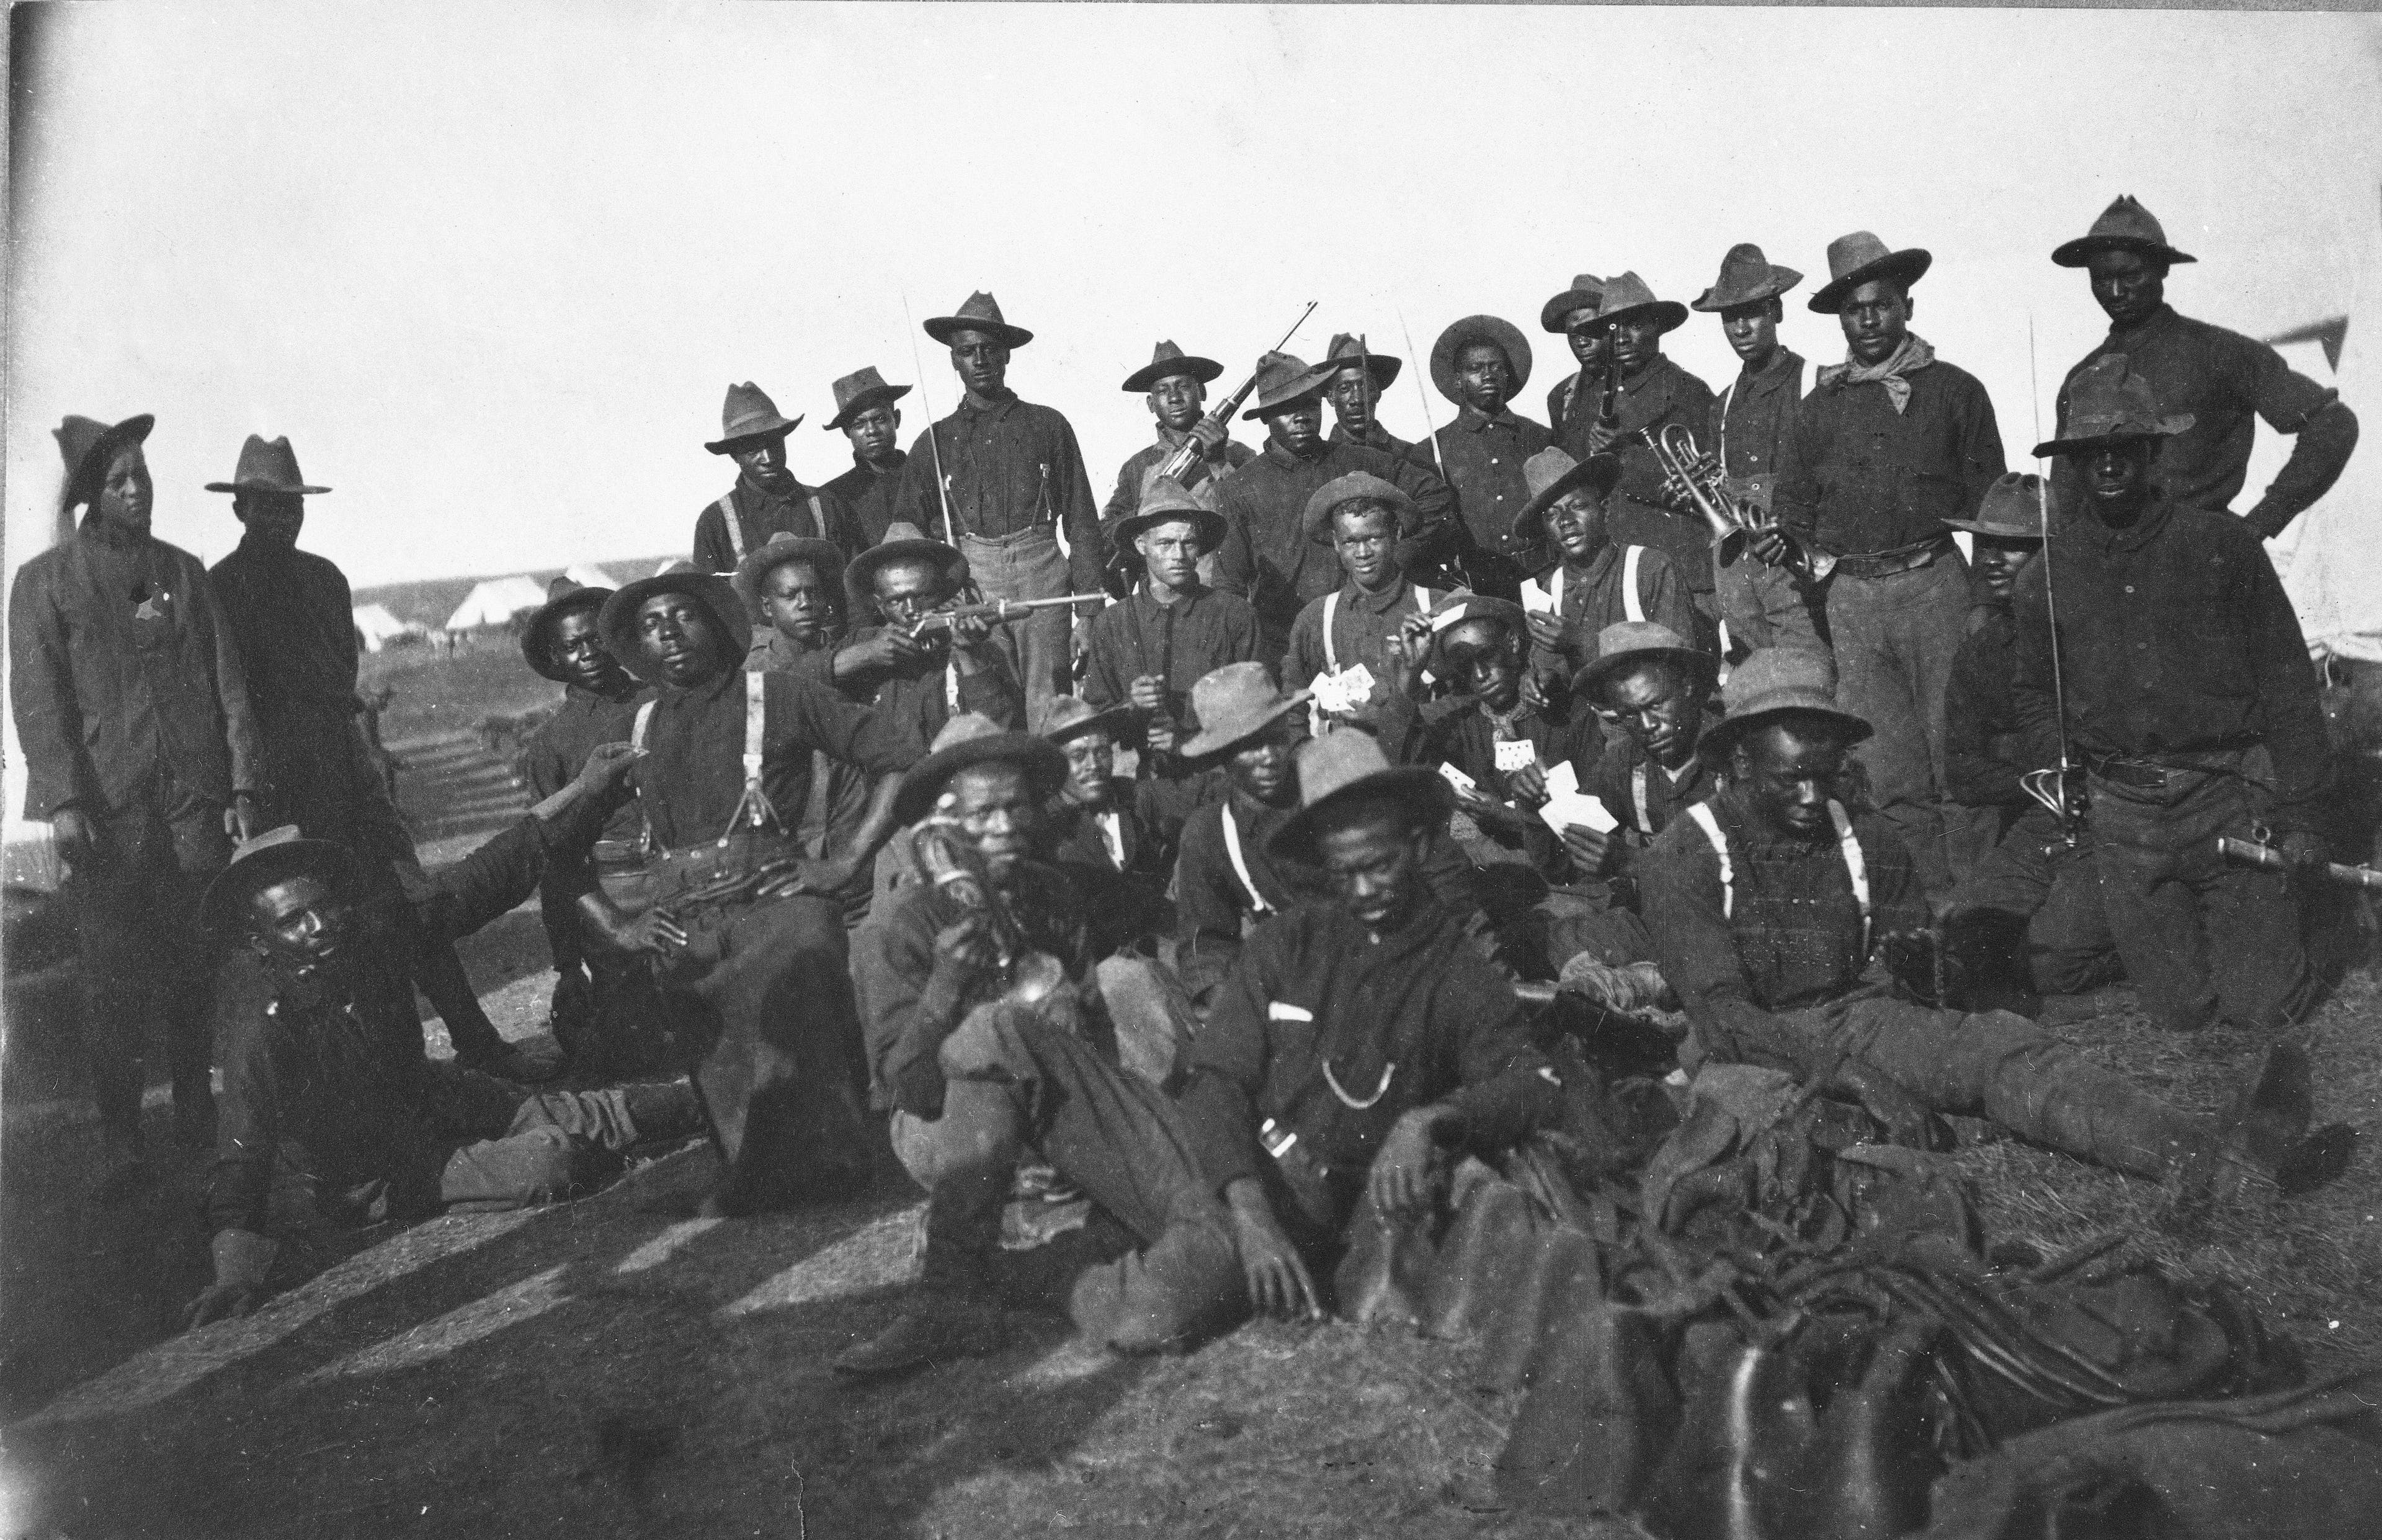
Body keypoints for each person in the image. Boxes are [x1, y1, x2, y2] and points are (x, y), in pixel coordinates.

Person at [1636, 648, 2352, 1204]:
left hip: (1851, 1019)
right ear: (1736, 761)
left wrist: (1919, 968)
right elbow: (1723, 1015)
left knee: (2002, 1046)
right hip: (1751, 1044)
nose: (1810, 795)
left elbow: (1899, 981)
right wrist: (1858, 1079)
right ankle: (1915, 1126)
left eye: (1823, 776)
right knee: (1768, 1118)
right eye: (1788, 778)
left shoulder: (1866, 836)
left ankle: (2213, 1157)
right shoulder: (1683, 855)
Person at [182, 746, 707, 1328]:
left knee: (601, 1110)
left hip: (428, 1094)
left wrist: (584, 788)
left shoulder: (372, 934)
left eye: (323, 907)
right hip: (378, 1172)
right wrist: (234, 1272)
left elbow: (485, 878)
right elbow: (241, 1152)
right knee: (552, 1161)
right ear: (262, 943)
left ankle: (706, 1101)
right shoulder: (259, 1024)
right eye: (293, 922)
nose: (320, 926)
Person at [839, 723, 1236, 1376]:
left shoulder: (1053, 893)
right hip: (949, 1126)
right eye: (982, 811)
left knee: (1129, 981)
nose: (1004, 826)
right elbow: (907, 1092)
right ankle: (956, 1286)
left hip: (1044, 1107)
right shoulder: (897, 928)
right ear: (948, 822)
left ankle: (1024, 1248)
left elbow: (1090, 1030)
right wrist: (945, 987)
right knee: (989, 1033)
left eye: (1017, 805)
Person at [1177, 729, 1566, 1320]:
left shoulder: (1457, 970)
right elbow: (1216, 1078)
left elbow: (1532, 1083)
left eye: (1380, 866)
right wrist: (1251, 1213)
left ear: (1416, 846)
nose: (1364, 891)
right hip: (1256, 1176)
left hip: (1360, 1203)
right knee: (1169, 1295)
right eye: (1343, 873)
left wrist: (1430, 1119)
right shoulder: (1290, 943)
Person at [571, 567, 928, 1213]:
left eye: (684, 616)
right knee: (712, 1038)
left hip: (776, 901)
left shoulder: (783, 695)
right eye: (651, 625)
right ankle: (754, 1168)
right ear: (639, 648)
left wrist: (846, 862)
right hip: (687, 920)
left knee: (803, 959)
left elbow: (900, 757)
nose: (669, 634)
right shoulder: (635, 725)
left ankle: (831, 1163)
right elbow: (562, 843)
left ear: (718, 623)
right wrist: (623, 927)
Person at [208, 435, 549, 1082]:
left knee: (407, 896)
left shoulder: (326, 579)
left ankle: (476, 1040)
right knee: (321, 924)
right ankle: (379, 1073)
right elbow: (225, 695)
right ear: (242, 509)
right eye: (268, 506)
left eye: (293, 506)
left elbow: (342, 675)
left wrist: (355, 751)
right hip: (278, 779)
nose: (283, 518)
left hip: (345, 761)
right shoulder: (218, 589)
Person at [2011, 356, 2331, 1037]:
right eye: (2089, 450)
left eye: (2123, 446)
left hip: (2226, 800)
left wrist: (2303, 814)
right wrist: (2065, 770)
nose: (2107, 463)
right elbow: (2037, 693)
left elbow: (2287, 681)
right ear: (2071, 461)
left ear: (2153, 449)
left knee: (2261, 1008)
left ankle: (2267, 935)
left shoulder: (2223, 546)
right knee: (2180, 1015)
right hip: (2124, 820)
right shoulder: (2044, 577)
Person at [11, 413, 261, 1191]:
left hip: (193, 804)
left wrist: (245, 785)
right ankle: (121, 1136)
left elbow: (230, 687)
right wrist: (63, 802)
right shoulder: (45, 583)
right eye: (119, 480)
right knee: (114, 978)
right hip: (107, 817)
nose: (136, 490)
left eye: (143, 476)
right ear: (90, 492)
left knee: (195, 962)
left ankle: (196, 1110)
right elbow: (39, 703)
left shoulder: (184, 573)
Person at [1766, 231, 2007, 899]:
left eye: (1880, 304)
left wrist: (1987, 604)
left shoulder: (1958, 392)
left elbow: (1992, 505)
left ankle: (1986, 912)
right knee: (1890, 770)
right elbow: (1792, 506)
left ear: (1907, 305)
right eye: (1853, 309)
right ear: (1840, 319)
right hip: (1853, 599)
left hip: (1937, 587)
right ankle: (1928, 918)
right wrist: (1804, 559)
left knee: (1961, 756)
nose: (1867, 320)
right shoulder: (1818, 410)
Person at [1171, 664, 1487, 1007]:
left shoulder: (1335, 782)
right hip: (1312, 996)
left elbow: (1446, 879)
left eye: (1276, 738)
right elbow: (1206, 947)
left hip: (1414, 965)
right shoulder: (1211, 834)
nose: (1270, 758)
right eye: (1249, 747)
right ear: (1221, 756)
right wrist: (1244, 1012)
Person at [2051, 196, 2358, 540]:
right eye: (2101, 279)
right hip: (2112, 566)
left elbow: (2333, 423)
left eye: (2131, 275)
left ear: (2162, 269)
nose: (2116, 291)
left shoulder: (2219, 352)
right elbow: (2065, 503)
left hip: (2202, 558)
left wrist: (2259, 526)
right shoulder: (2083, 379)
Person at [1933, 474, 2120, 1007]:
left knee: (2049, 962)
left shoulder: (2094, 631)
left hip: (2114, 823)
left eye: (2014, 546)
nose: (1992, 559)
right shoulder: (1981, 653)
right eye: (1984, 543)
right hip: (2040, 823)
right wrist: (2031, 776)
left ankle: (2141, 945)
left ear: (2051, 554)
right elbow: (1963, 775)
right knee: (1967, 937)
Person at [890, 291, 1105, 723]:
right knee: (989, 705)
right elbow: (905, 532)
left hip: (1042, 573)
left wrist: (1090, 613)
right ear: (954, 360)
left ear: (1007, 355)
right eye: (967, 351)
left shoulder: (1048, 425)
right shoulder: (934, 441)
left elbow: (1081, 522)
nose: (980, 359)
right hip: (973, 581)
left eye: (990, 349)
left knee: (1051, 706)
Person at [1210, 352, 1458, 661]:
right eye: (1287, 409)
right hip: (1287, 642)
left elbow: (1435, 497)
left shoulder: (1358, 460)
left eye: (1310, 405)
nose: (1302, 417)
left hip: (1370, 625)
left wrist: (1399, 555)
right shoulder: (1239, 488)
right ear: (1265, 418)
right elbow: (1229, 583)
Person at [517, 577, 649, 1053]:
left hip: (683, 869)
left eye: (597, 638)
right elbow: (554, 856)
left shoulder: (659, 699)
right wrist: (568, 964)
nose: (589, 652)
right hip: (610, 889)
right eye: (573, 646)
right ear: (555, 658)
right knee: (631, 1050)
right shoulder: (551, 742)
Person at [1550, 273, 1721, 638]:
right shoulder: (1594, 397)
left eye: (1635, 325)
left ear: (1657, 327)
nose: (1623, 337)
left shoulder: (1688, 391)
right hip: (1621, 571)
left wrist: (1618, 459)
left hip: (1679, 566)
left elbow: (1700, 488)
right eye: (1613, 328)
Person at [1689, 243, 1826, 654]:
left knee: (1811, 678)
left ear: (1777, 312)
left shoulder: (1816, 384)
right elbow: (1719, 489)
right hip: (1739, 569)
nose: (1740, 328)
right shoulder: (1723, 404)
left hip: (1796, 566)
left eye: (1751, 313)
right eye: (1730, 317)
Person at [734, 533, 877, 924]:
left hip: (851, 818)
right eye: (790, 595)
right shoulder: (754, 668)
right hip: (789, 831)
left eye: (813, 593)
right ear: (767, 606)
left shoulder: (850, 646)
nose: (805, 604)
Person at [1078, 478, 1260, 778]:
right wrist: (1132, 705)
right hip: (1145, 780)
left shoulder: (1234, 614)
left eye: (1188, 543)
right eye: (1165, 543)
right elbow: (1094, 722)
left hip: (1219, 775)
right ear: (1141, 545)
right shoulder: (1112, 623)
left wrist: (1190, 738)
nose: (1178, 555)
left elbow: (1257, 708)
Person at [1509, 447, 1700, 687]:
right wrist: (1541, 682)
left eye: (1578, 505)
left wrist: (1582, 643)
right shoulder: (1552, 589)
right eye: (1551, 515)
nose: (1566, 521)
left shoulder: (1650, 568)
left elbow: (1680, 661)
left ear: (1605, 509)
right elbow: (1549, 668)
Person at [1280, 474, 1454, 734]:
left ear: (1396, 534)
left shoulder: (1438, 607)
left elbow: (1468, 703)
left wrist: (1393, 719)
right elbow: (1293, 710)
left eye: (1374, 538)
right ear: (1337, 544)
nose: (1363, 554)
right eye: (1350, 541)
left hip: (1424, 757)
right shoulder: (1316, 619)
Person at [830, 522, 1024, 739]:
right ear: (880, 605)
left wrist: (969, 655)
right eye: (896, 600)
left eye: (922, 596)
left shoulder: (978, 647)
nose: (911, 610)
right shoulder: (862, 644)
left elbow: (1000, 730)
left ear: (941, 594)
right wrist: (866, 655)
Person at [1572, 621, 1726, 879]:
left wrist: (1641, 864)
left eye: (1656, 705)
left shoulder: (1735, 756)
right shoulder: (1625, 760)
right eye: (1630, 715)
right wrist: (1536, 808)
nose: (1647, 726)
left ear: (1687, 686)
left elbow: (1761, 875)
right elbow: (1564, 865)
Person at [1425, 314, 1550, 595]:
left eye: (1496, 367)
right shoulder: (1434, 449)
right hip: (1478, 585)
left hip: (1544, 576)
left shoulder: (1540, 438)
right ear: (1458, 380)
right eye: (1475, 368)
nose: (1488, 375)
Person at [691, 381, 863, 574]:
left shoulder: (826, 504)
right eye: (753, 449)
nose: (768, 458)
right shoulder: (715, 522)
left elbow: (852, 585)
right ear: (734, 455)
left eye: (774, 444)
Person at [1040, 696, 1186, 921]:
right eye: (1078, 756)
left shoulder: (1132, 795)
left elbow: (1200, 803)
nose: (1094, 765)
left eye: (1102, 752)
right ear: (1054, 764)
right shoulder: (1046, 824)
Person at [1099, 340, 1252, 543]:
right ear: (1151, 403)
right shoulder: (1138, 467)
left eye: (1183, 386)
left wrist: (1218, 463)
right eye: (1163, 391)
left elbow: (1256, 513)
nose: (1174, 398)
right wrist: (1148, 512)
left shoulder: (1238, 453)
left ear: (1202, 393)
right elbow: (1109, 528)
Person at [821, 367, 912, 548]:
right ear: (847, 432)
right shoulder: (834, 496)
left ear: (897, 419)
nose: (872, 431)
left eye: (880, 419)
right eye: (859, 424)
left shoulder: (926, 476)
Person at [1321, 333, 1429, 465]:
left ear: (1378, 393)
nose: (1357, 399)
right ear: (1331, 398)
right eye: (1345, 388)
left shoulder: (1408, 456)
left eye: (1365, 387)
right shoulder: (1319, 462)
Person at [1537, 272, 1605, 435]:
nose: (1582, 342)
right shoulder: (1560, 397)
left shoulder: (1642, 383)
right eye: (1574, 335)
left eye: (1590, 331)